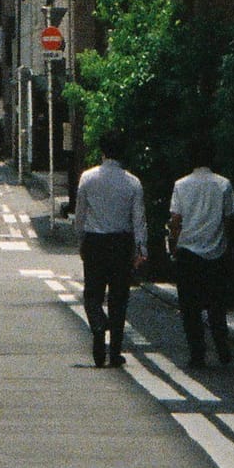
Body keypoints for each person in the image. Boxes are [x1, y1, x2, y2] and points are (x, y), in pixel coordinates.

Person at [73, 129, 149, 365]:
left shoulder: (88, 178)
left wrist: (80, 240)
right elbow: (139, 219)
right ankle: (115, 352)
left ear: (102, 150)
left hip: (95, 241)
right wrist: (141, 249)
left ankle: (98, 327)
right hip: (121, 243)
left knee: (92, 294)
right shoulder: (133, 182)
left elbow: (80, 214)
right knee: (119, 297)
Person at [167, 143, 234, 369]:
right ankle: (222, 348)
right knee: (216, 305)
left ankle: (197, 353)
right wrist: (229, 245)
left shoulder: (181, 185)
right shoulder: (223, 185)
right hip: (216, 252)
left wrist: (173, 245)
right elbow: (229, 218)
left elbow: (176, 220)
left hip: (188, 252)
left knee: (190, 308)